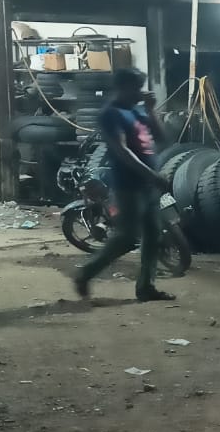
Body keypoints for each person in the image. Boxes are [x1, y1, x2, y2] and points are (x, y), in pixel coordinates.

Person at [71, 69, 175, 303]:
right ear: (122, 87)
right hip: (129, 187)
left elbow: (161, 137)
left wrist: (150, 109)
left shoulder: (137, 111)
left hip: (147, 185)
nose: (140, 92)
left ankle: (146, 287)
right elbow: (122, 150)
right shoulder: (110, 114)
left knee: (153, 235)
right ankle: (85, 274)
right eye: (136, 88)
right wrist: (152, 176)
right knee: (127, 237)